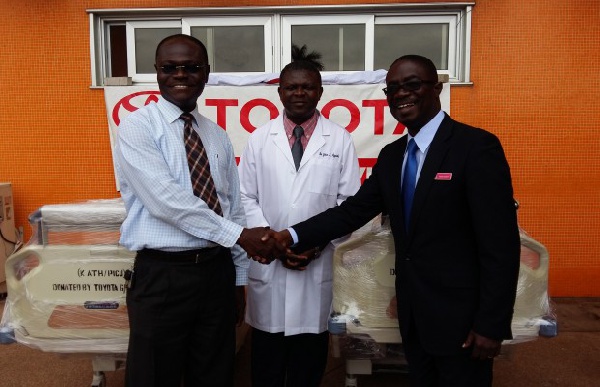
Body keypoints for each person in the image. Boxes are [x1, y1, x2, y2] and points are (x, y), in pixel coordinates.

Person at [267, 55, 521, 386]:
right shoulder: (392, 156)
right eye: (393, 88)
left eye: (413, 84)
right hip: (413, 318)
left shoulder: (475, 147)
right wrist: (291, 235)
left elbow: (500, 244)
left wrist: (491, 323)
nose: (402, 94)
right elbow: (351, 212)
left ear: (437, 88)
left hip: (463, 320)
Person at [115, 34, 274, 387]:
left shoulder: (216, 135)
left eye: (192, 67)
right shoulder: (137, 126)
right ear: (156, 72)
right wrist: (240, 238)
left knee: (215, 372)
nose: (181, 75)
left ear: (206, 73)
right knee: (155, 376)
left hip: (216, 275)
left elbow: (232, 208)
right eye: (170, 68)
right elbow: (166, 200)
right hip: (162, 276)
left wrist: (238, 279)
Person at [238, 56, 360, 387]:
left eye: (307, 87)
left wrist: (315, 244)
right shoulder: (260, 139)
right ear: (279, 92)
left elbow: (349, 204)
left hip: (315, 266)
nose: (299, 93)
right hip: (269, 264)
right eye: (291, 87)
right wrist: (273, 244)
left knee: (308, 367)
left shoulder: (339, 139)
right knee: (266, 364)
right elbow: (245, 197)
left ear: (320, 92)